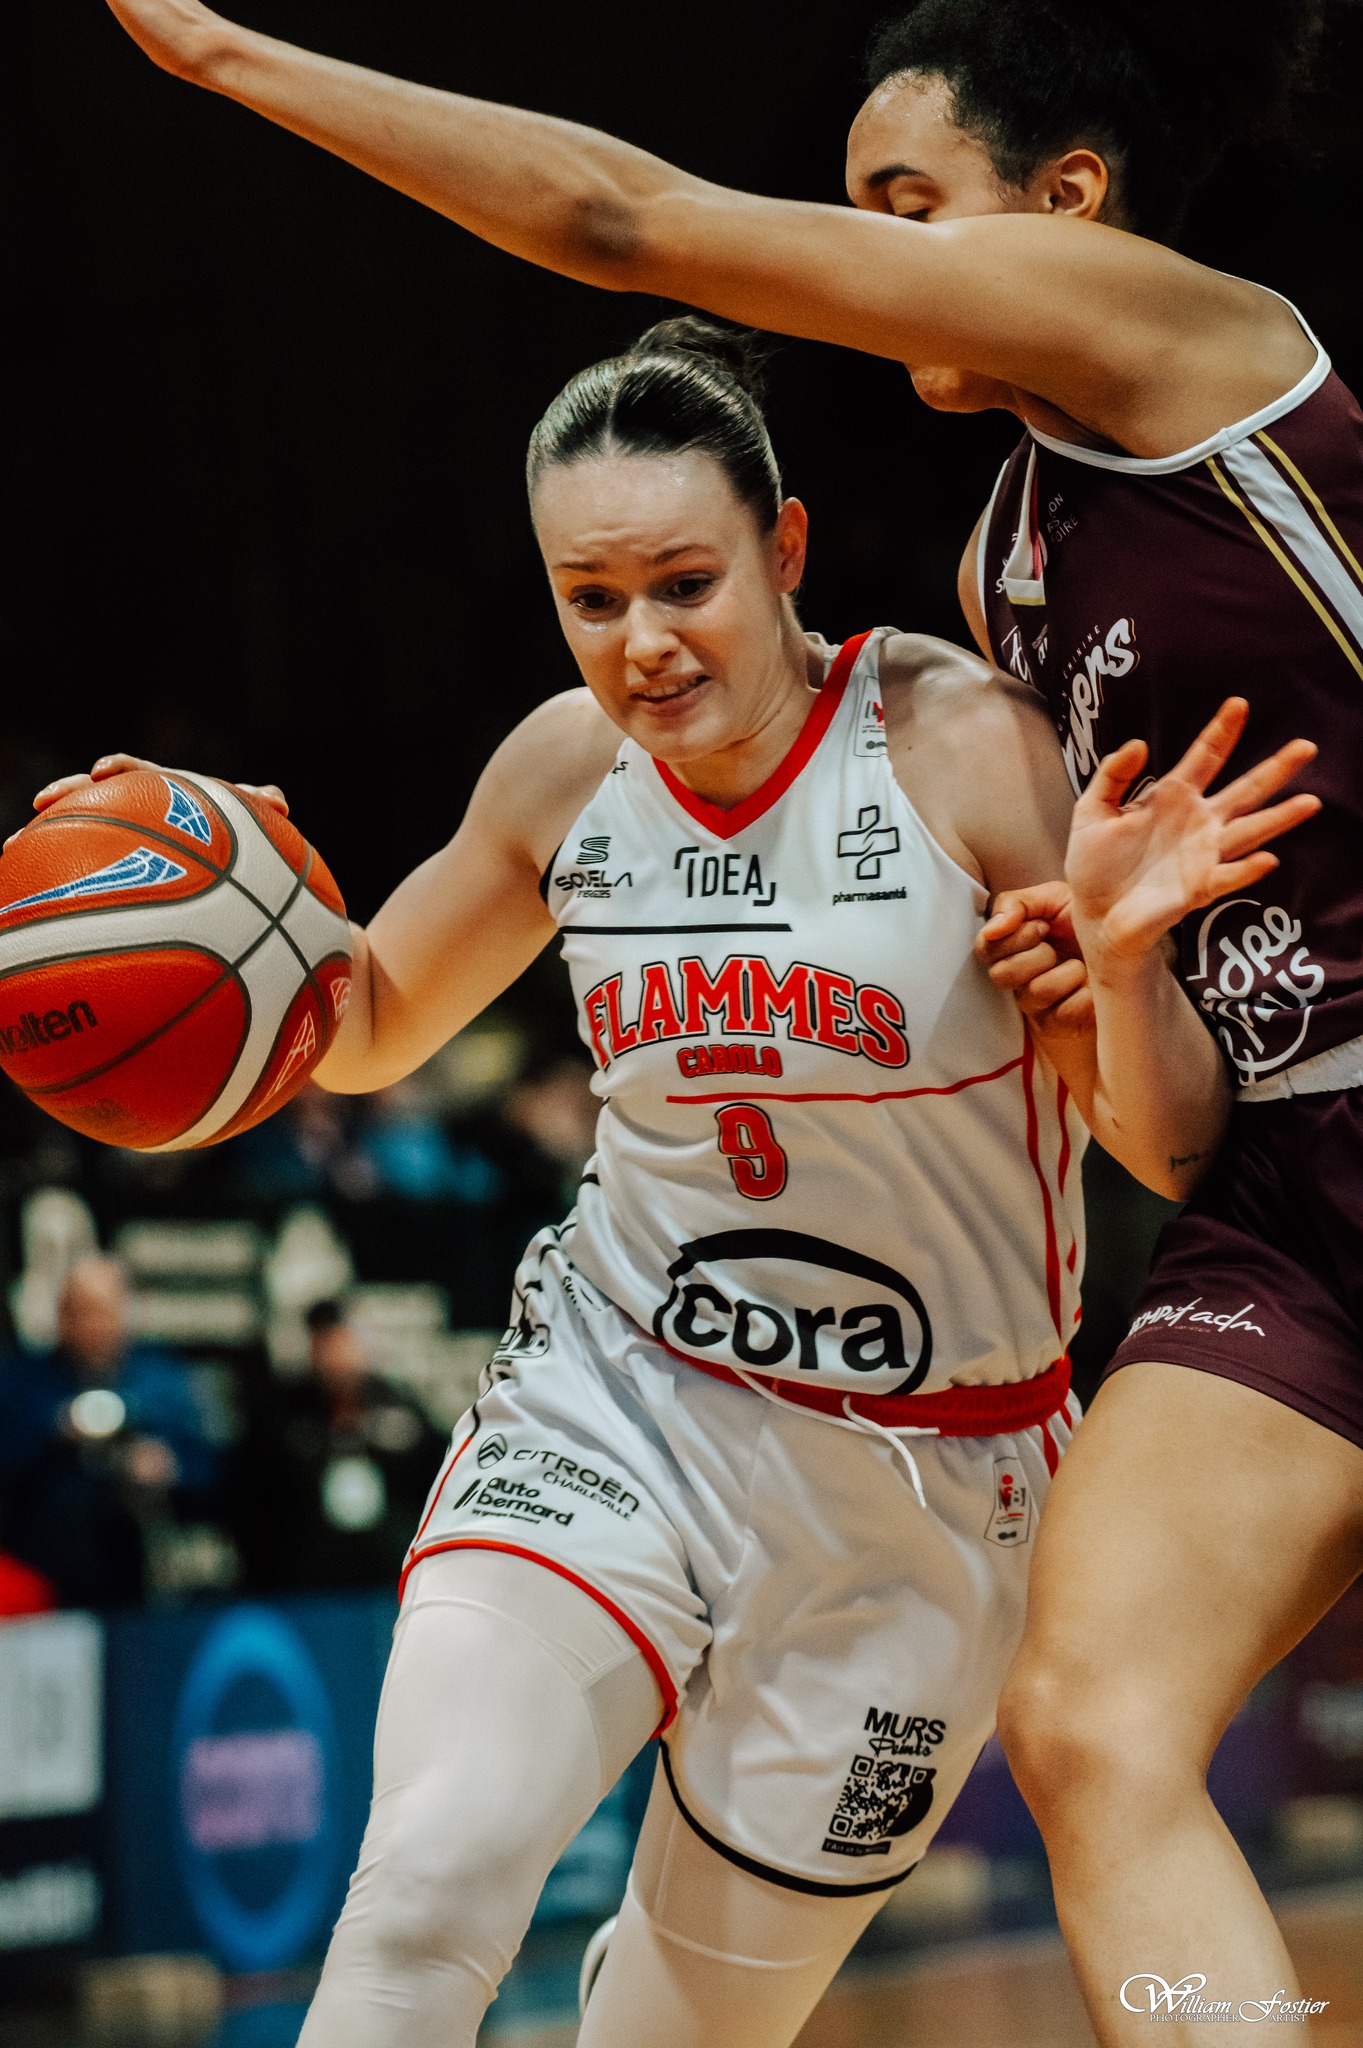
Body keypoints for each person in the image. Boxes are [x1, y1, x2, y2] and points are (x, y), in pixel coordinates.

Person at [94, 1, 1363, 2032]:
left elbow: (619, 220)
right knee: (1086, 1726)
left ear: (1066, 205)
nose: (858, 251)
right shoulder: (1017, 552)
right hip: (1228, 1196)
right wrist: (225, 930)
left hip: (938, 1451)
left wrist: (231, 61)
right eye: (588, 596)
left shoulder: (1177, 355)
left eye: (900, 205)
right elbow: (361, 1016)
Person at [0, 1253, 221, 1607]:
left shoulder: (161, 1378)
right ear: (62, 1316)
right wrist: (55, 1433)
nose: (94, 1324)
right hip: (48, 1576)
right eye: (81, 1311)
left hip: (143, 1575)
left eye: (103, 1309)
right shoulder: (26, 1383)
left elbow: (208, 1469)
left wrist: (167, 1466)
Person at [251, 1299, 448, 1592]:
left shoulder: (400, 1407)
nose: (335, 1358)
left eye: (342, 1343)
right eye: (324, 1345)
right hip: (307, 1583)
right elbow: (257, 1499)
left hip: (390, 1575)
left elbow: (438, 1478)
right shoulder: (284, 1416)